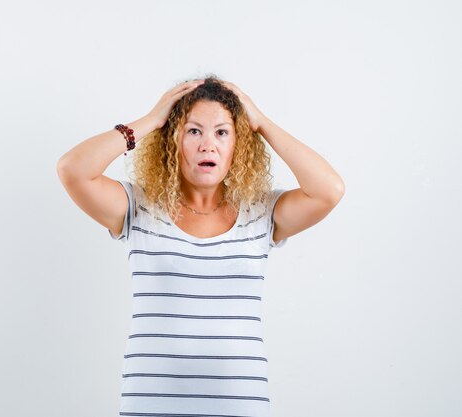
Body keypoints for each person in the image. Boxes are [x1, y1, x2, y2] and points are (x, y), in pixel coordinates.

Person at [57, 75, 344, 416]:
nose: (208, 144)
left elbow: (330, 190)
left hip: (240, 404)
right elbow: (72, 169)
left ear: (239, 144)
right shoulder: (138, 207)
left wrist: (262, 123)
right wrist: (152, 119)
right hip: (151, 403)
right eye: (194, 131)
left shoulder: (261, 212)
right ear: (172, 140)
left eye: (222, 132)